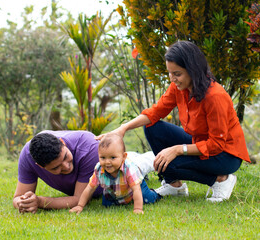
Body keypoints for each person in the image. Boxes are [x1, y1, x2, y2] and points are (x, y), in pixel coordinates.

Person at [97, 41, 251, 203]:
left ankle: (221, 180)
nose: (173, 79)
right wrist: (123, 128)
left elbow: (216, 144)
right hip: (199, 143)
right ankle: (174, 185)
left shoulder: (215, 96)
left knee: (169, 164)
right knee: (152, 127)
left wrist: (178, 150)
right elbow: (155, 113)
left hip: (225, 155)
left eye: (177, 74)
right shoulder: (179, 88)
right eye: (170, 73)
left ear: (193, 70)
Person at [13, 130, 103, 213]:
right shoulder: (28, 157)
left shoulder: (88, 149)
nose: (66, 167)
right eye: (56, 168)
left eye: (65, 157)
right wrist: (24, 202)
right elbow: (17, 197)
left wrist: (40, 202)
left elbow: (80, 199)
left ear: (63, 142)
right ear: (40, 166)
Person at [69, 133, 161, 215]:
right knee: (107, 205)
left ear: (124, 157)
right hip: (113, 192)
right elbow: (89, 188)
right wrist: (80, 205)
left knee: (147, 199)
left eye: (113, 157)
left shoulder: (128, 168)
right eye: (103, 157)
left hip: (134, 187)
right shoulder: (99, 169)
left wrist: (137, 209)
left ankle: (157, 194)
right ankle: (123, 200)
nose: (107, 162)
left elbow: (136, 189)